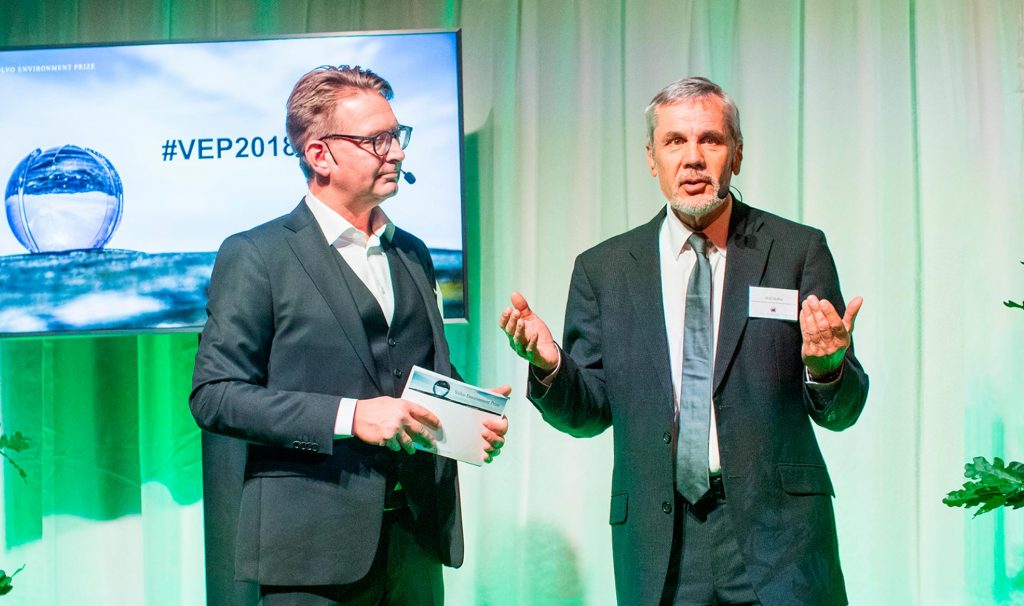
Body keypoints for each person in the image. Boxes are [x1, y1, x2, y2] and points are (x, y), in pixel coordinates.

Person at [500, 76, 868, 606]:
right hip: (661, 543)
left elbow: (842, 411)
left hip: (780, 537)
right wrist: (552, 366)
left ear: (735, 154)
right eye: (675, 141)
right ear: (652, 158)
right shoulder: (603, 270)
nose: (692, 158)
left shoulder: (796, 250)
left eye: (710, 140)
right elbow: (588, 413)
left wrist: (828, 368)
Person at [191, 65, 508, 606]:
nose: (398, 152)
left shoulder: (412, 252)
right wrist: (351, 416)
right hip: (309, 559)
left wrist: (469, 412)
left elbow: (421, 374)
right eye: (376, 140)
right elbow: (215, 396)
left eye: (397, 136)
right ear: (319, 155)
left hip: (412, 543)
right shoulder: (257, 255)